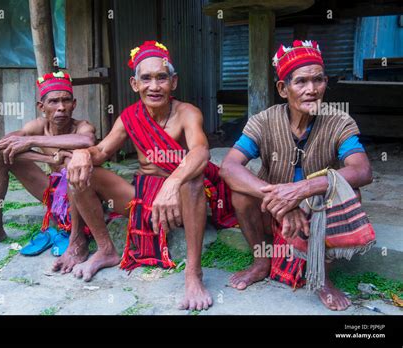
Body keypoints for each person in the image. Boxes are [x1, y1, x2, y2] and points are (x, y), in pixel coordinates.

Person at [66, 41, 236, 311]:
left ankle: (193, 274)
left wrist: (172, 183)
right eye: (146, 78)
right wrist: (83, 154)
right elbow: (101, 151)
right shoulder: (128, 117)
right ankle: (105, 249)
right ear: (135, 84)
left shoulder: (187, 113)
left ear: (174, 82)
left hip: (182, 198)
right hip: (143, 196)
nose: (154, 86)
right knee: (79, 172)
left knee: (192, 179)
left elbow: (201, 153)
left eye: (162, 78)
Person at [220, 40, 375, 311]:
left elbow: (362, 170)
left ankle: (322, 278)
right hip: (273, 208)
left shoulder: (340, 122)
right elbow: (229, 167)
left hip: (314, 210)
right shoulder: (263, 121)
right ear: (283, 88)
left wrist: (302, 190)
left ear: (326, 83)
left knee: (351, 191)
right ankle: (261, 261)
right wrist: (280, 196)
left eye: (318, 80)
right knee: (241, 194)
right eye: (301, 82)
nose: (312, 90)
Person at [0, 71, 97, 274]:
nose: (61, 107)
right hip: (54, 194)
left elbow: (86, 142)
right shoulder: (37, 126)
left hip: (83, 195)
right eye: (53, 102)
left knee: (71, 163)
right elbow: (0, 147)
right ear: (41, 107)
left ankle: (77, 239)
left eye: (66, 100)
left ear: (74, 104)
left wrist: (32, 142)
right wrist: (47, 158)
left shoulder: (82, 126)